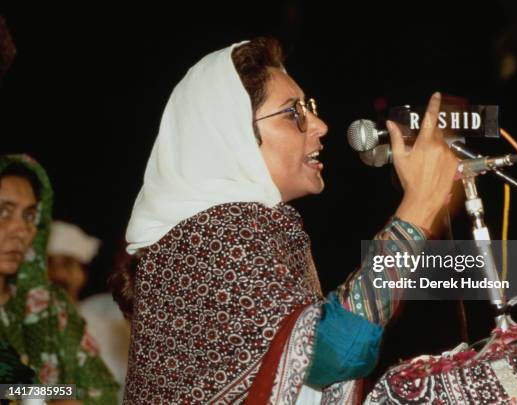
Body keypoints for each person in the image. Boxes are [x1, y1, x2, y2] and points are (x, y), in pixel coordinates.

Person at [112, 38, 458, 404]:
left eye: (309, 108)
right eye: (294, 113)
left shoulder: (237, 229)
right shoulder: (213, 233)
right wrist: (416, 213)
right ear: (231, 135)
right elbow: (334, 352)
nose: (320, 125)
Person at [0, 154, 120, 404]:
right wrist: (47, 394)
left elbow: (101, 390)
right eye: (4, 211)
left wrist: (55, 395)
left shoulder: (48, 307)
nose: (21, 230)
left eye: (30, 216)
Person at [47, 221, 130, 403]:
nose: (58, 274)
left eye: (68, 263)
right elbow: (6, 389)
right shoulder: (15, 322)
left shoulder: (107, 322)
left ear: (81, 274)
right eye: (48, 263)